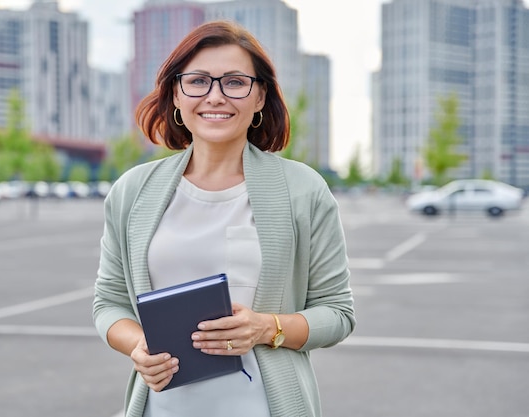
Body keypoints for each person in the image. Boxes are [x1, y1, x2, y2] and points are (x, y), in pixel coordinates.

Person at [93, 20, 355, 417]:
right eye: (198, 81)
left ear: (260, 96)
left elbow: (337, 312)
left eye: (234, 82)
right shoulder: (133, 191)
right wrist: (136, 344)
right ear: (176, 96)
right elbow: (109, 303)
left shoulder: (303, 190)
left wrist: (267, 327)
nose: (215, 96)